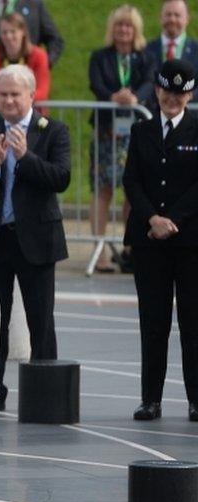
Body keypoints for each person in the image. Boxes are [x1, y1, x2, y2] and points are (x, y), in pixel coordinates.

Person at [0, 64, 70, 412]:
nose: (8, 100)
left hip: (37, 239)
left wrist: (25, 157)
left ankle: (47, 395)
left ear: (31, 96)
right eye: (2, 94)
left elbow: (61, 178)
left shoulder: (53, 130)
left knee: (41, 321)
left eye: (15, 94)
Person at [122, 59, 198, 422]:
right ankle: (150, 398)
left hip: (189, 241)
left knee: (193, 322)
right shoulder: (142, 132)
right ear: (156, 91)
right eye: (167, 91)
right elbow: (131, 181)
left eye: (180, 93)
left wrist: (173, 220)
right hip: (149, 238)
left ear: (190, 94)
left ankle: (196, 398)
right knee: (153, 322)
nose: (173, 98)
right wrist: (153, 218)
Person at [88, 5, 156, 273]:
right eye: (119, 25)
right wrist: (113, 98)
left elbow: (151, 81)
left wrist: (135, 98)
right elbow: (96, 83)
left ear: (135, 30)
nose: (123, 30)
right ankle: (100, 253)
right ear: (112, 29)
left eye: (128, 26)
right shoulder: (100, 56)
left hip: (136, 134)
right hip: (106, 134)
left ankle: (131, 250)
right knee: (102, 190)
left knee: (133, 191)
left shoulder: (146, 57)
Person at [0, 13, 51, 106]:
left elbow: (42, 91)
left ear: (23, 32)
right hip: (2, 115)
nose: (8, 36)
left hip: (32, 114)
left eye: (13, 32)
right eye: (4, 32)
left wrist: (16, 99)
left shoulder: (39, 55)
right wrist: (5, 99)